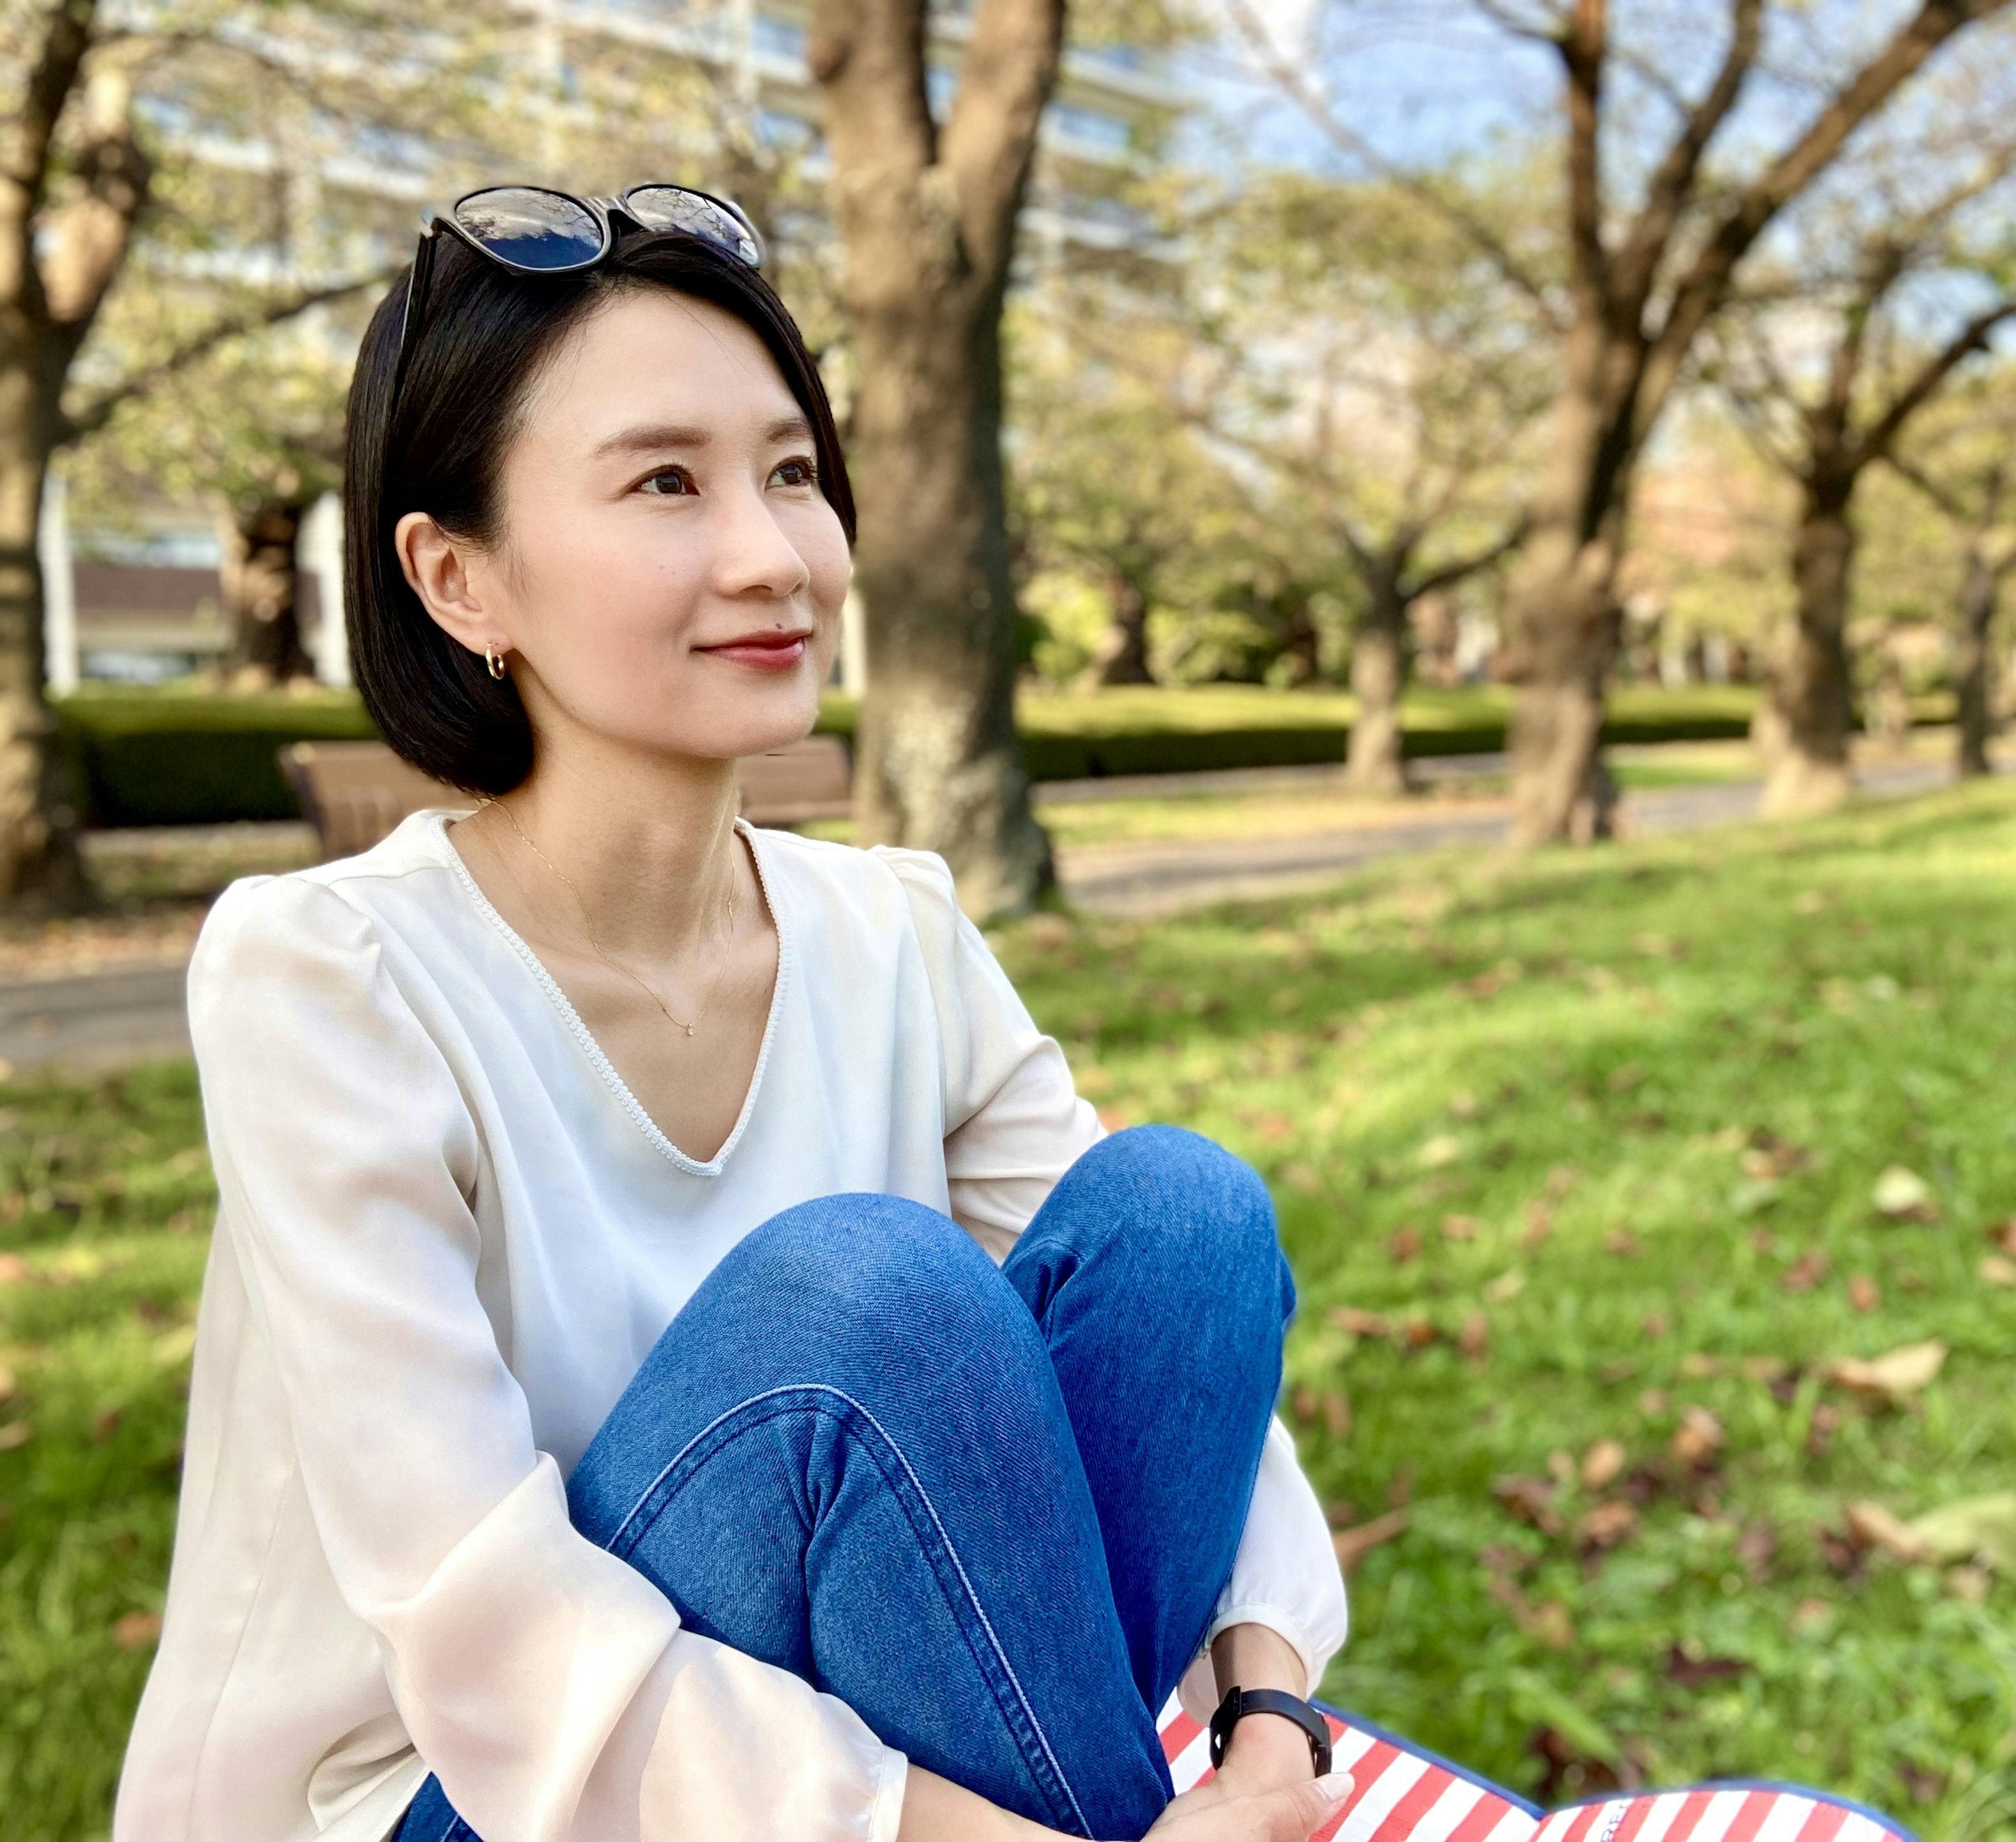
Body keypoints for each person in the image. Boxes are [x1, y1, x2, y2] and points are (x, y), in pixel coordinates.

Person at [115, 186, 1353, 1842]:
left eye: (789, 473)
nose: (773, 555)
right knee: (868, 1310)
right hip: (440, 1783)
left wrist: (1268, 1714)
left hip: (813, 1724)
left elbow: (1187, 1359)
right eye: (664, 483)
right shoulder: (327, 977)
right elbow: (491, 1630)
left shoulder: (891, 927)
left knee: (1182, 1217)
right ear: (459, 577)